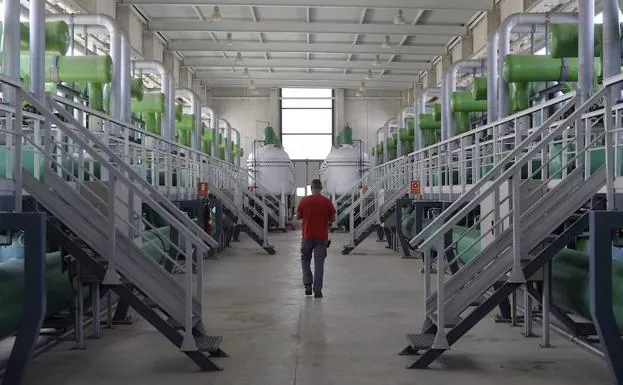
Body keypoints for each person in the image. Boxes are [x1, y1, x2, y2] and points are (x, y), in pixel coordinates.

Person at [296, 179, 336, 298]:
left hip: (307, 236)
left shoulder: (304, 201)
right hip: (322, 237)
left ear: (311, 188)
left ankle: (308, 285)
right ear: (321, 188)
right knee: (319, 264)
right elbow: (333, 219)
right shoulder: (327, 202)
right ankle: (317, 291)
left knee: (305, 260)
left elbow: (298, 216)